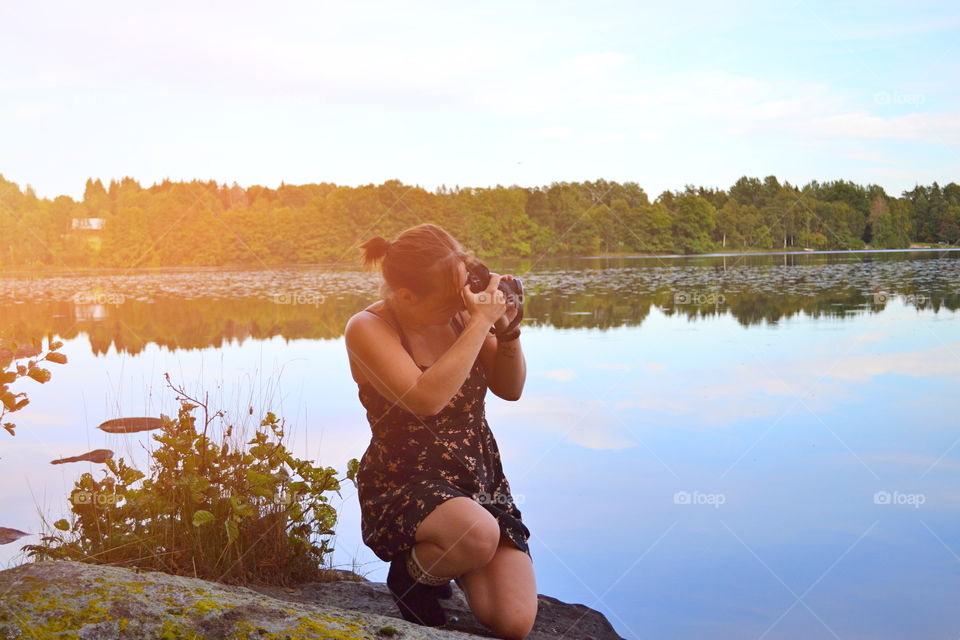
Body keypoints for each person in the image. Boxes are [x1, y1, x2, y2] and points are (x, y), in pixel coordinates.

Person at [344, 223, 537, 640]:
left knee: (514, 622)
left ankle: (453, 558)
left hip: (477, 477)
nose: (458, 306)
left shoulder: (460, 318)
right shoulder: (368, 327)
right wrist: (477, 324)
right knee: (476, 533)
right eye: (449, 299)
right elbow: (425, 400)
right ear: (407, 296)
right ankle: (413, 578)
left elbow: (511, 388)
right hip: (407, 479)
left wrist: (506, 329)